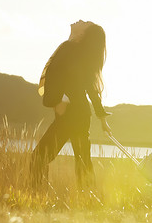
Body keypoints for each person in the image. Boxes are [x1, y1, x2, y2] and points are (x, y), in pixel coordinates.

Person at [30, 20, 112, 189]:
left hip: (71, 114)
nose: (81, 20)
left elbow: (70, 81)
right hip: (79, 114)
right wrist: (102, 118)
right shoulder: (75, 51)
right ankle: (88, 201)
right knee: (83, 162)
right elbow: (88, 87)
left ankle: (37, 194)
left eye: (85, 23)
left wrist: (62, 100)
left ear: (83, 34)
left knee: (38, 158)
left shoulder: (70, 49)